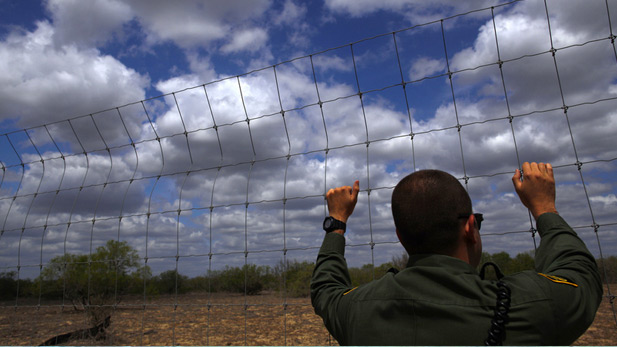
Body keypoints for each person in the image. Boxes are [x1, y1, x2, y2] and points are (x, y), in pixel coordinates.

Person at [311, 162, 602, 345]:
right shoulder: (532, 306)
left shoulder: (357, 311)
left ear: (401, 238)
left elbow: (325, 289)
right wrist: (544, 209)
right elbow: (580, 275)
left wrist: (337, 222)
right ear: (470, 227)